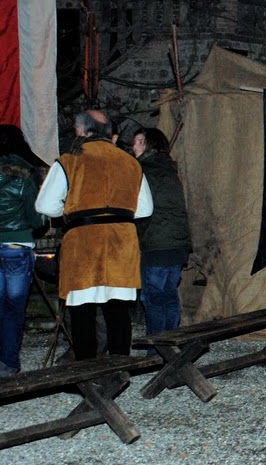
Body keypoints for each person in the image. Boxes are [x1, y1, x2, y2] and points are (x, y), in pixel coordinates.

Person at [35, 110, 154, 361]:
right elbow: (145, 209)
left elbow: (45, 206)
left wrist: (73, 210)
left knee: (82, 309)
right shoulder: (131, 162)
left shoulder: (69, 161)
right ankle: (119, 368)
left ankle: (86, 369)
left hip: (84, 242)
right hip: (121, 242)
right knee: (118, 309)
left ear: (81, 130)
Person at [132, 127, 191, 336]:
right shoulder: (169, 168)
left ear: (149, 144)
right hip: (176, 243)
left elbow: (140, 209)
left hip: (156, 243)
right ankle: (171, 343)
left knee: (153, 297)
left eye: (139, 141)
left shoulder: (143, 170)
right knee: (168, 295)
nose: (134, 146)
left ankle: (157, 346)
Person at [0, 126, 47, 375]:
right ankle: (8, 363)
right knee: (14, 308)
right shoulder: (25, 175)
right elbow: (36, 221)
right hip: (17, 247)